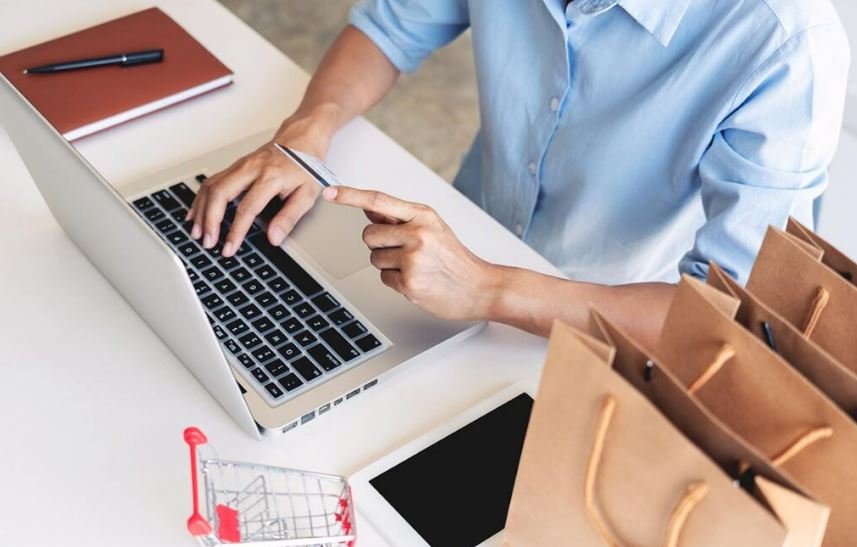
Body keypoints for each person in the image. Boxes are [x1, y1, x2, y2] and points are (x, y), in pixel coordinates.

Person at [189, 0, 850, 348]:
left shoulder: (786, 42)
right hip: (458, 248)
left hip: (604, 328)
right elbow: (390, 28)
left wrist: (488, 288)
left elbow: (734, 317)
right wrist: (307, 131)